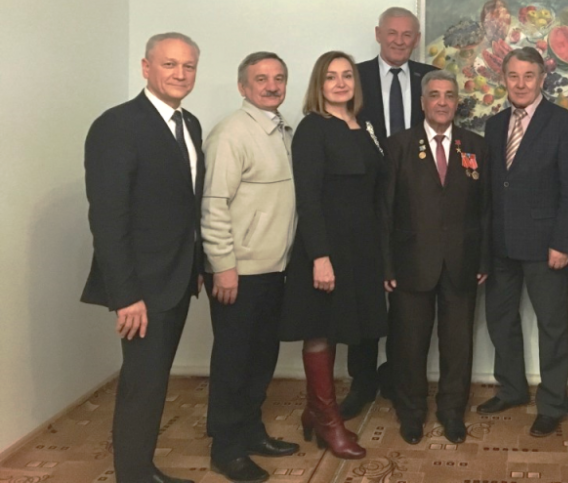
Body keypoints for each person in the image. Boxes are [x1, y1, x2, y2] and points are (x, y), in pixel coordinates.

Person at [81, 32, 204, 483]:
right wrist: (126, 295)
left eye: (188, 66)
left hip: (178, 277)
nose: (180, 74)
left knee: (154, 382)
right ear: (146, 67)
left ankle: (142, 468)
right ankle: (133, 475)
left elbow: (186, 205)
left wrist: (197, 265)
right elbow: (108, 218)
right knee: (142, 385)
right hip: (142, 287)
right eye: (169, 64)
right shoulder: (117, 125)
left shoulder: (189, 124)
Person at [279, 51, 386, 460]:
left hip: (362, 246)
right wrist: (320, 257)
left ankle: (313, 411)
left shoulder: (364, 126)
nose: (340, 83)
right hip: (326, 244)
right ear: (318, 85)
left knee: (343, 324)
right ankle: (328, 419)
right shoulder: (313, 128)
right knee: (320, 328)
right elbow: (307, 197)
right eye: (331, 77)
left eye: (347, 76)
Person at [479, 47, 568, 437]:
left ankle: (552, 403)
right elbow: (493, 188)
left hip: (546, 245)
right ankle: (511, 388)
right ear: (503, 79)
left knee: (552, 326)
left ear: (542, 79)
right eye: (513, 75)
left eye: (529, 76)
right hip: (500, 244)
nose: (521, 83)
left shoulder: (564, 123)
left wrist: (563, 243)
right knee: (500, 320)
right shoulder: (495, 125)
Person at [201, 52, 299, 483]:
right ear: (243, 86)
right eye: (261, 79)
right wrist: (223, 265)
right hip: (238, 271)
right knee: (233, 362)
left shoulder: (281, 130)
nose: (272, 86)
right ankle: (226, 449)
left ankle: (251, 431)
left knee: (260, 358)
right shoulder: (231, 133)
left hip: (273, 268)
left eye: (279, 78)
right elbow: (213, 204)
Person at [380, 70, 491, 445]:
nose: (442, 102)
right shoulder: (398, 146)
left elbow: (486, 209)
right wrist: (387, 264)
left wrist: (484, 259)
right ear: (423, 102)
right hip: (410, 264)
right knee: (409, 345)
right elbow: (385, 211)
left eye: (449, 95)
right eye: (435, 95)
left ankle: (451, 412)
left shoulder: (474, 146)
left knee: (458, 346)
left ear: (457, 102)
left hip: (463, 262)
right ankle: (411, 413)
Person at [346, 7, 434, 418]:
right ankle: (362, 381)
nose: (399, 41)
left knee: (407, 301)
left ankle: (400, 378)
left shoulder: (430, 79)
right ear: (378, 33)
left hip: (417, 209)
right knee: (365, 296)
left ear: (417, 39)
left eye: (407, 34)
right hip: (364, 204)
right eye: (392, 33)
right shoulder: (354, 77)